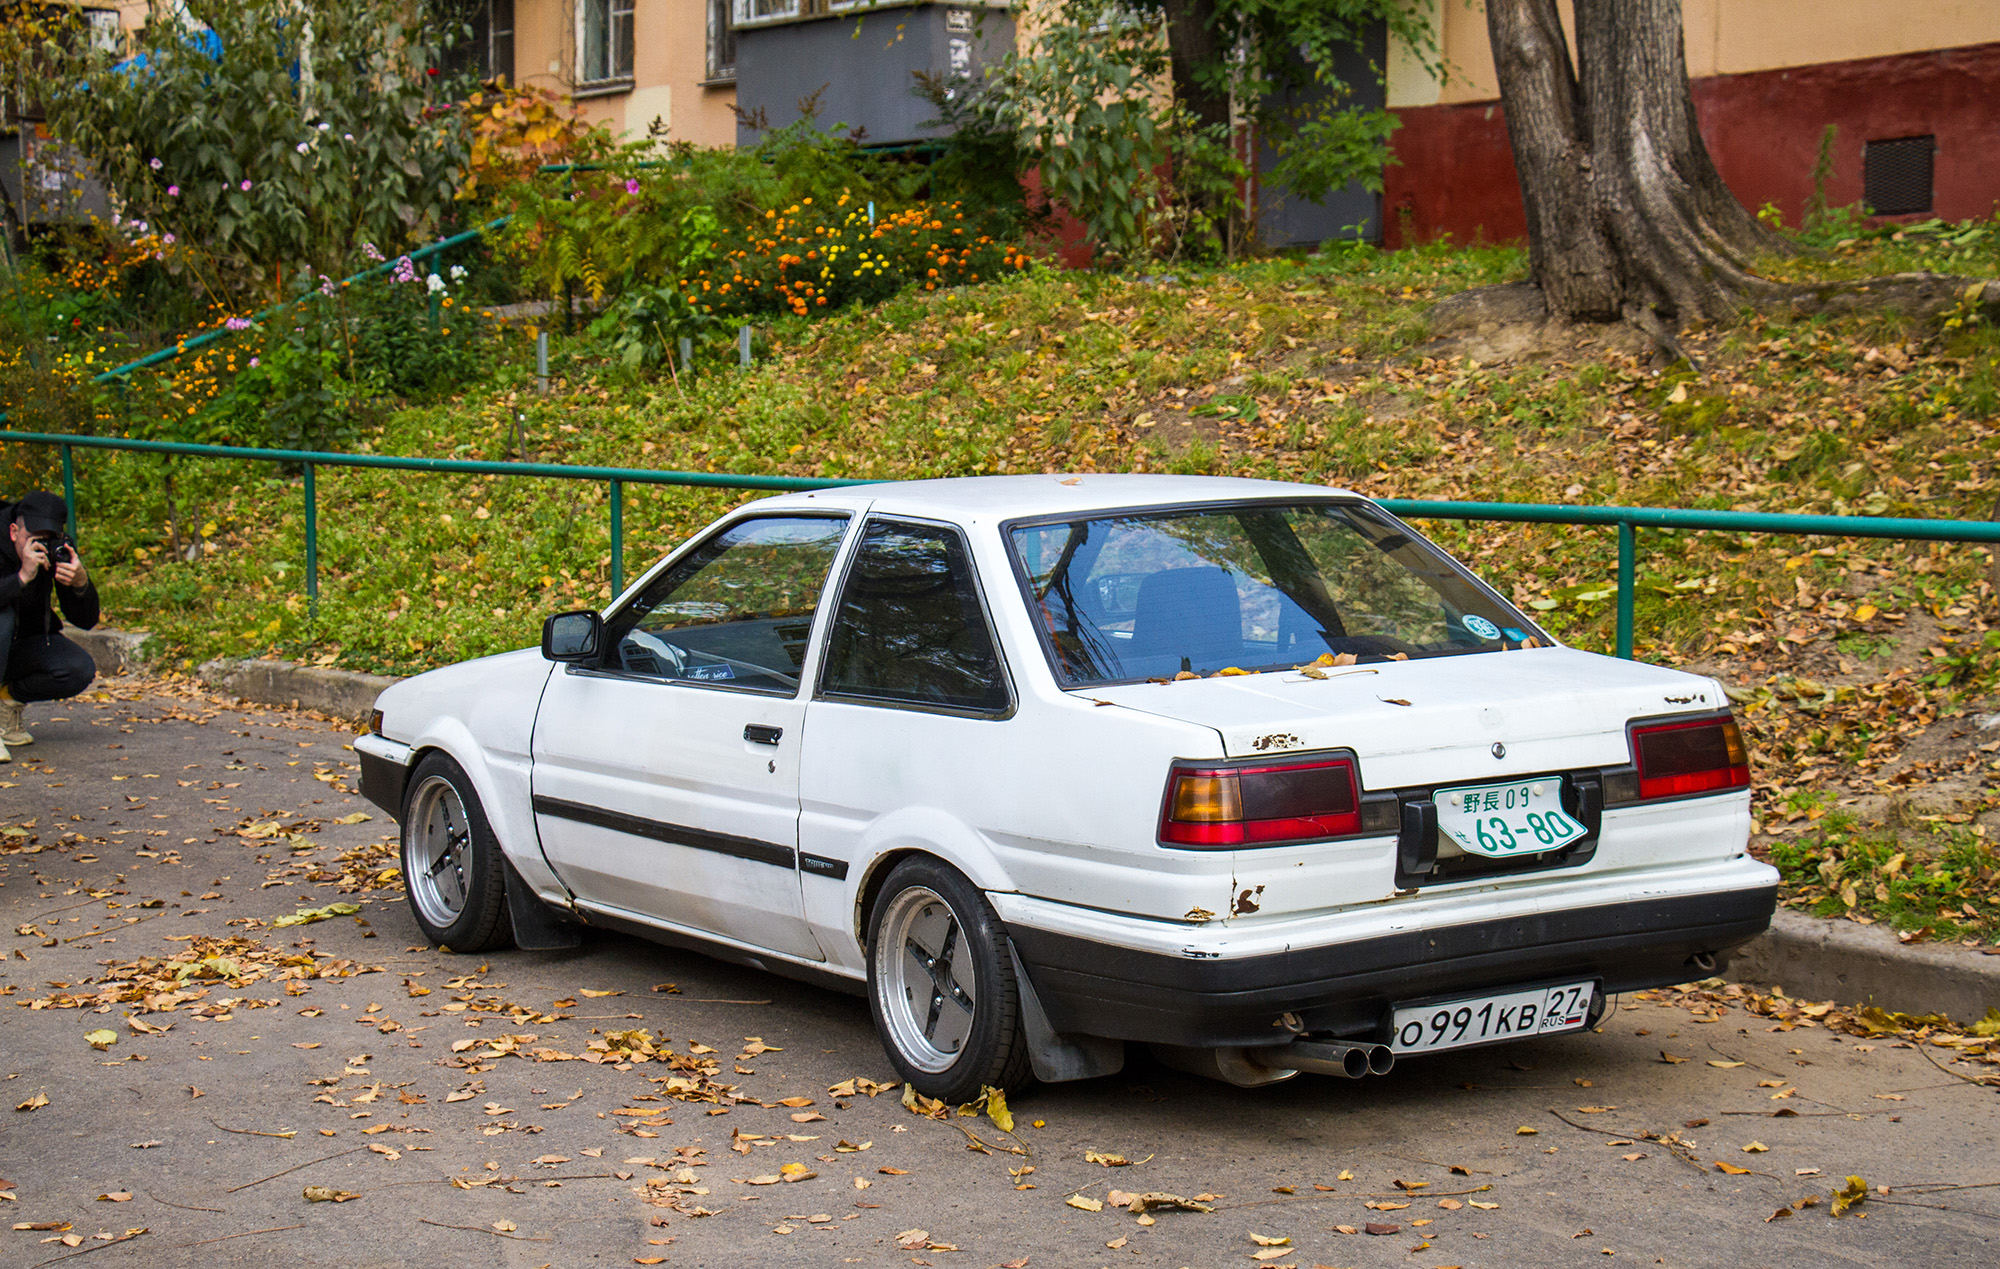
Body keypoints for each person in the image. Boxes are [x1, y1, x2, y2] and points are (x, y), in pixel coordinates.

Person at [0, 491, 100, 762]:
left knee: (77, 669)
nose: (40, 545)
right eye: (33, 538)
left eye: (48, 537)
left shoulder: (58, 548)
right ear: (13, 531)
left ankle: (6, 702)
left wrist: (80, 583)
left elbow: (86, 621)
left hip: (20, 644)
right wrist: (21, 577)